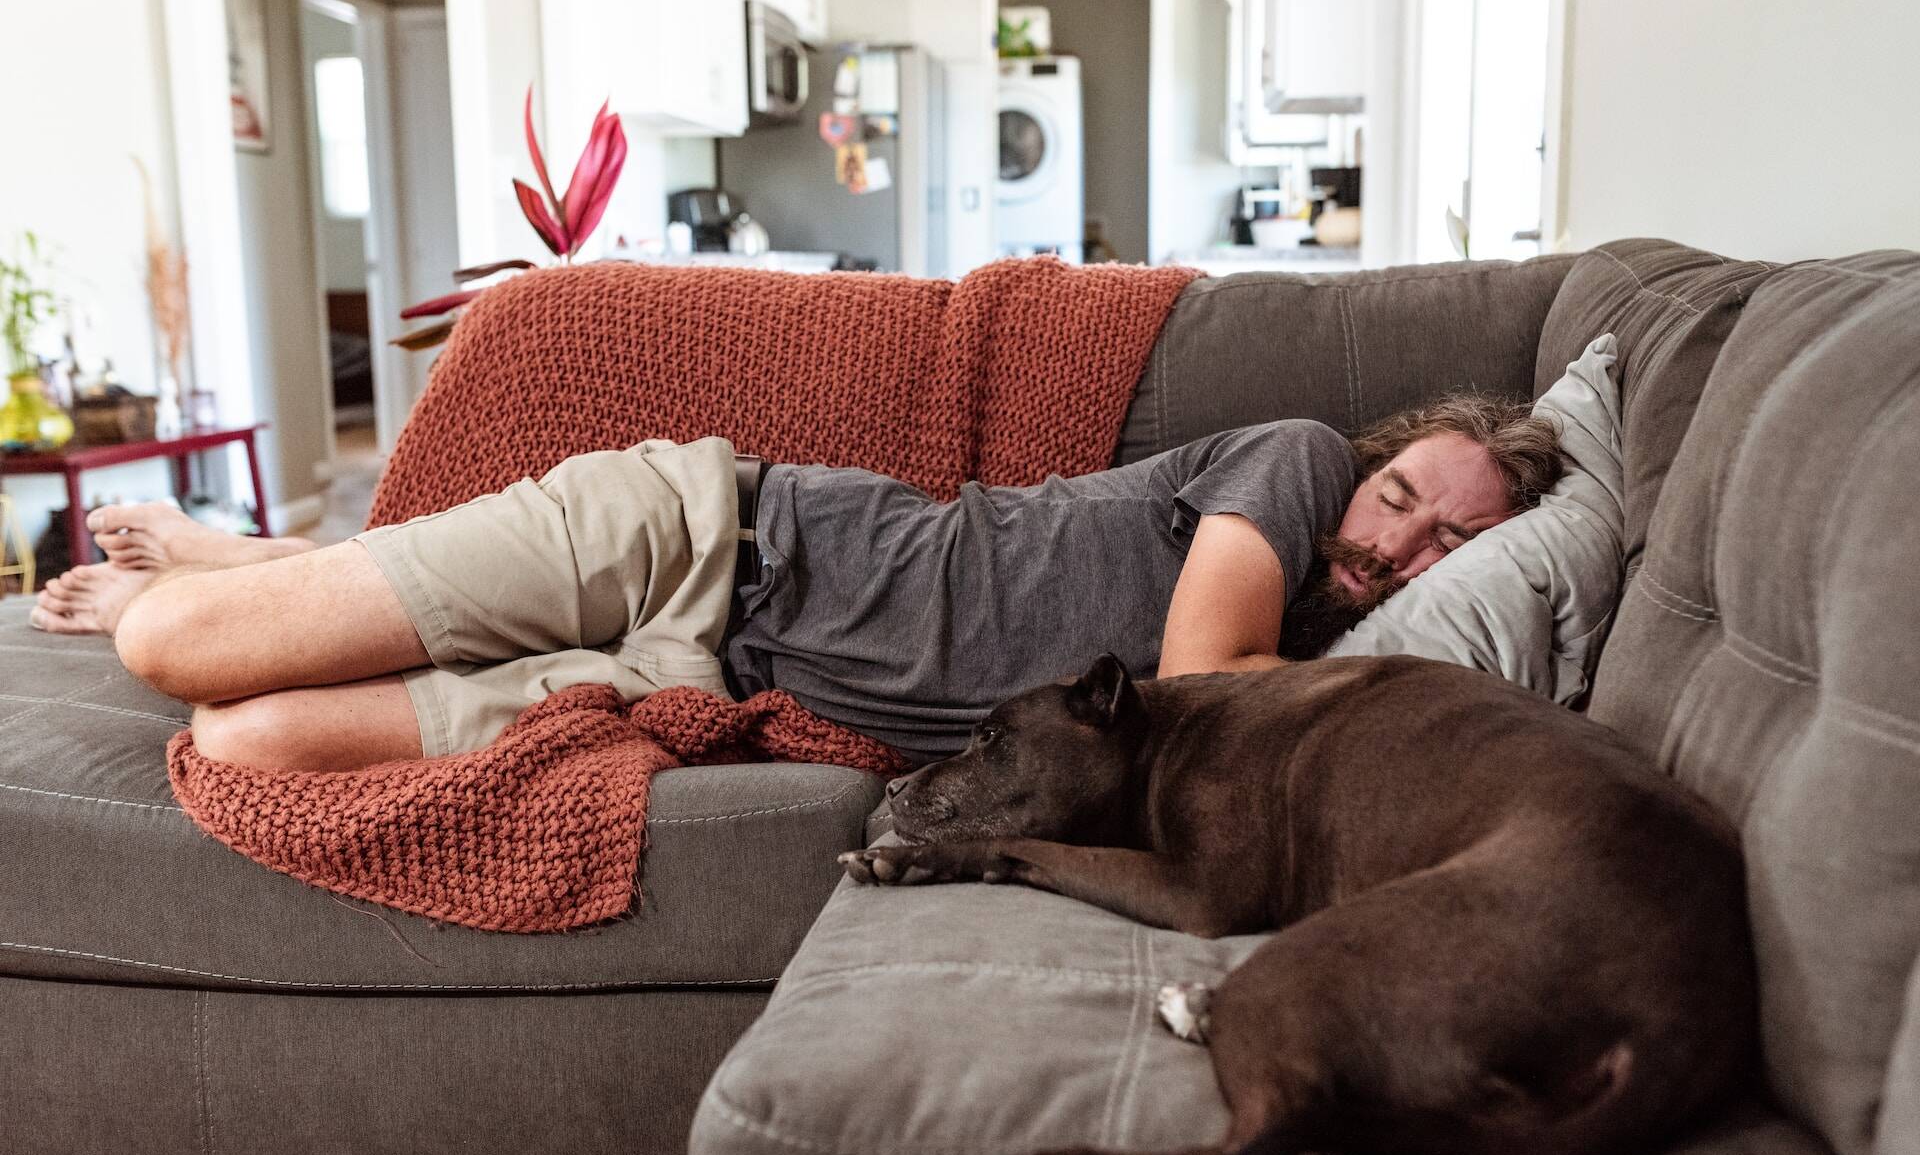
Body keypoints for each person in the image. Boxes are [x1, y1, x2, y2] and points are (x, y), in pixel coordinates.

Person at [28, 396, 1562, 771]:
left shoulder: (1322, 626)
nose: (1397, 545)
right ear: (1366, 461)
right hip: (714, 536)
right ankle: (276, 553)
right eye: (1402, 493)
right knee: (173, 642)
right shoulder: (1292, 464)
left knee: (248, 741)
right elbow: (1207, 678)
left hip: (699, 683)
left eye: (1446, 552)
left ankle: (317, 564)